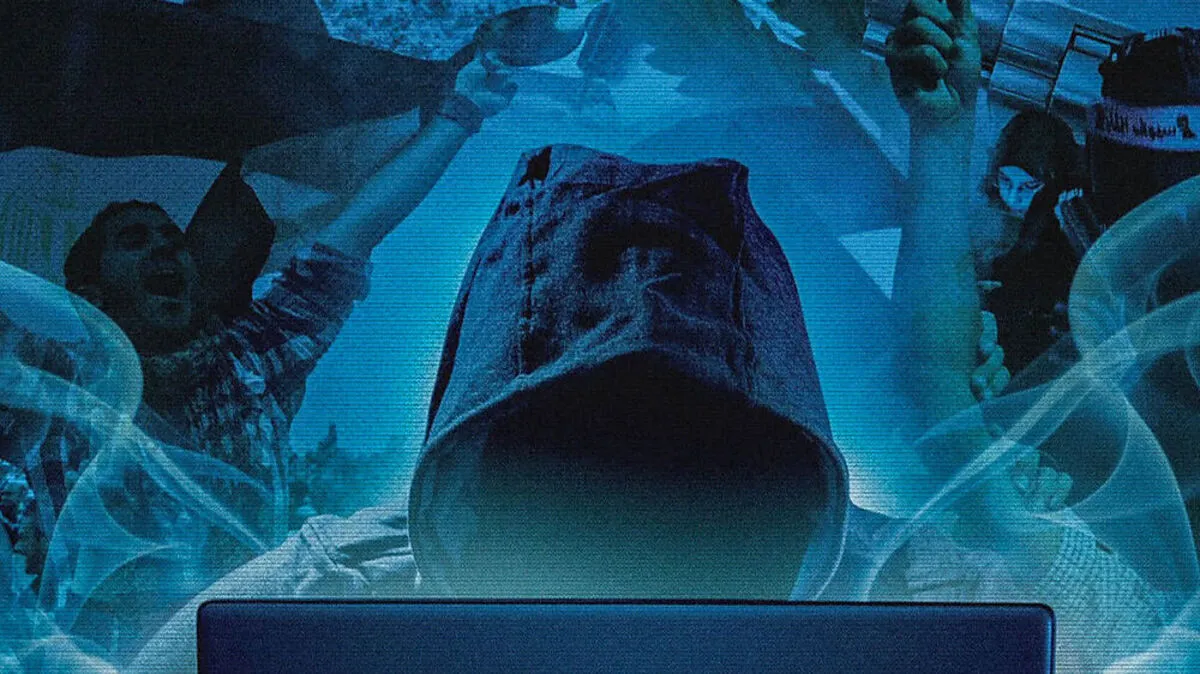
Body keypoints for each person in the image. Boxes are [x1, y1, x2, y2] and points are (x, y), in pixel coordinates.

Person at [128, 143, 851, 672]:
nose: (631, 522)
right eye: (579, 454)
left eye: (692, 461)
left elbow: (329, 265)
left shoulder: (891, 580)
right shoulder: (333, 586)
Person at [0, 47, 519, 657]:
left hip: (235, 642)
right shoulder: (47, 384)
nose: (165, 249)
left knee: (394, 543)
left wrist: (461, 111)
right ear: (90, 295)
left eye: (173, 239)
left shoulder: (250, 359)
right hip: (97, 657)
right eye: (135, 241)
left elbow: (351, 236)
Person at [880, 1, 1171, 669]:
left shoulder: (1115, 618)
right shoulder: (1118, 607)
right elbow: (940, 383)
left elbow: (937, 383)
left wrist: (942, 139)